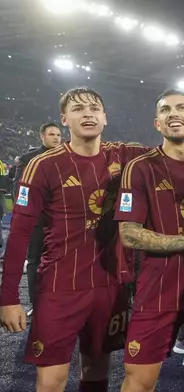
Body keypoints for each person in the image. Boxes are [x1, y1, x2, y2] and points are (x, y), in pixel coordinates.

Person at [0, 87, 151, 392]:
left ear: (105, 117)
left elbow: (169, 155)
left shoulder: (122, 155)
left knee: (96, 372)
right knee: (52, 380)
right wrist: (8, 298)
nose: (88, 114)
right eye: (79, 109)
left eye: (94, 108)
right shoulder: (43, 165)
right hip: (60, 287)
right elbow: (19, 233)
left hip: (110, 286)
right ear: (64, 119)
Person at [115, 90, 184, 392]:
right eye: (165, 110)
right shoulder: (140, 168)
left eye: (181, 108)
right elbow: (129, 233)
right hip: (158, 289)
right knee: (138, 380)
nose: (173, 113)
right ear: (157, 123)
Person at [12, 122, 63, 315]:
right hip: (37, 222)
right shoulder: (28, 159)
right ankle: (36, 303)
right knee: (34, 261)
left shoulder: (69, 159)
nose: (56, 138)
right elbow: (19, 190)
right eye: (52, 134)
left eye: (59, 134)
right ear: (42, 136)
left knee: (60, 262)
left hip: (61, 222)